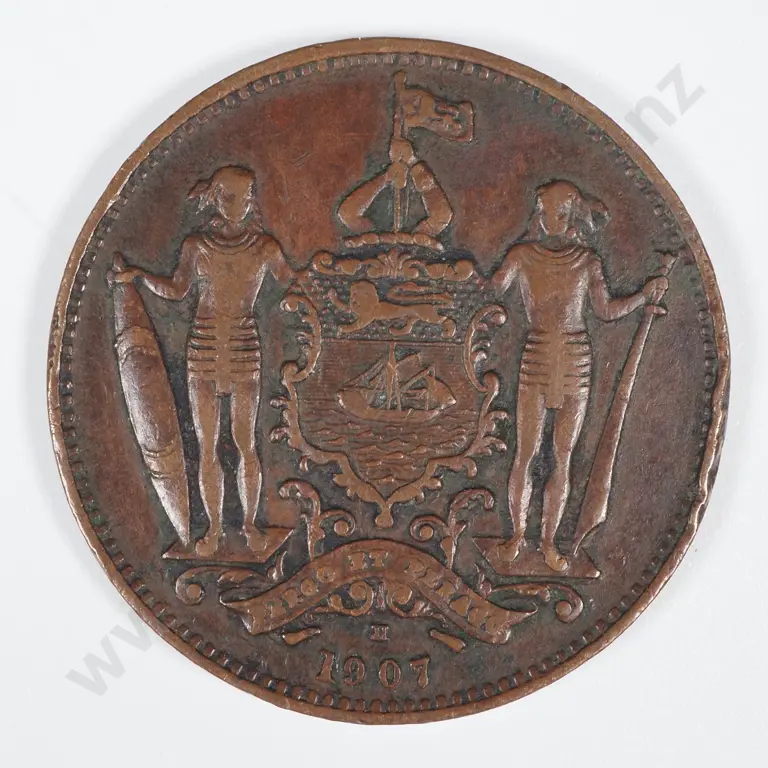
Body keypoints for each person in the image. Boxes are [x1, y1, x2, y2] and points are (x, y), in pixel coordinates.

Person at [111, 165, 294, 556]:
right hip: (204, 350)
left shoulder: (266, 248)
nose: (243, 204)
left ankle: (249, 526)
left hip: (243, 349)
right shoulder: (197, 246)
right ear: (217, 198)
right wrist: (140, 277)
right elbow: (178, 290)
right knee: (207, 445)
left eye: (247, 196)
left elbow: (294, 283)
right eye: (234, 197)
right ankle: (212, 530)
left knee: (245, 443)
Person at [488, 180, 668, 572]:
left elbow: (605, 311)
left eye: (558, 210)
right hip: (537, 358)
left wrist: (643, 296)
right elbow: (490, 290)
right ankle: (517, 537)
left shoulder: (587, 261)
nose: (550, 217)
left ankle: (549, 543)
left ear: (572, 213)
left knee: (563, 456)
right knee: (525, 453)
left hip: (575, 362)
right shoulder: (521, 255)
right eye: (545, 209)